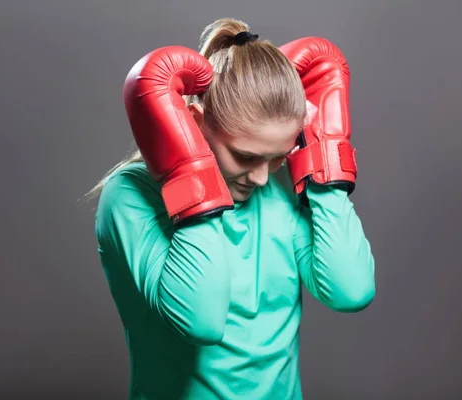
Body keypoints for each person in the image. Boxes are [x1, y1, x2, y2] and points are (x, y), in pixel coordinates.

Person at [88, 17, 375, 400]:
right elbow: (200, 320)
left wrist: (324, 163)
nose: (260, 178)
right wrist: (192, 170)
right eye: (245, 156)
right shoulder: (129, 196)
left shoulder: (282, 183)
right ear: (193, 124)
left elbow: (350, 290)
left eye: (278, 156)